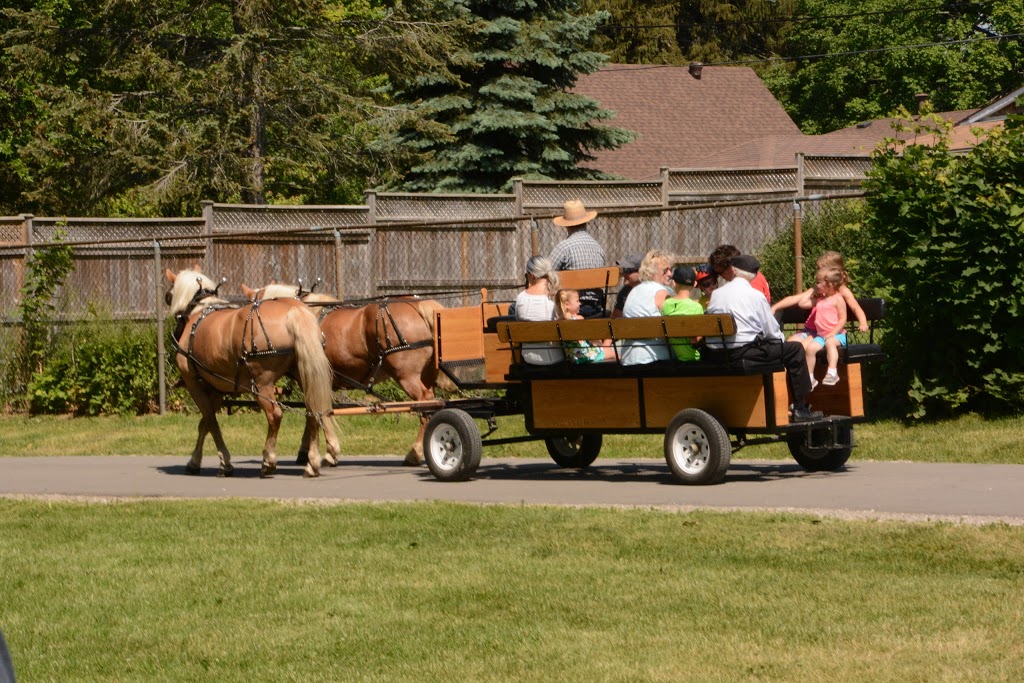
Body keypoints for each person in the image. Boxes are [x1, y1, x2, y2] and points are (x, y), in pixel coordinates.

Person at [704, 253, 821, 422]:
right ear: (754, 275)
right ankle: (800, 408)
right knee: (795, 349)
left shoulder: (717, 294)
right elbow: (771, 332)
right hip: (744, 352)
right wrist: (780, 341)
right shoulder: (755, 295)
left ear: (734, 270)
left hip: (718, 353)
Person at [773, 267, 848, 389]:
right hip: (822, 335)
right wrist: (812, 294)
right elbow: (802, 304)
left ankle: (833, 372)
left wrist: (834, 333)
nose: (815, 285)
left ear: (830, 285)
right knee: (810, 349)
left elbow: (843, 319)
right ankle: (810, 377)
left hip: (837, 335)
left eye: (818, 282)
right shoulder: (819, 299)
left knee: (829, 343)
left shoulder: (838, 299)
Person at [550, 199, 608, 318]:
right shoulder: (598, 248)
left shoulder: (564, 247)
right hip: (597, 306)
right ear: (586, 222)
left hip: (572, 306)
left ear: (567, 226)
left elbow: (548, 273)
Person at [619, 250, 675, 366]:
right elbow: (675, 324)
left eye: (670, 270)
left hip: (628, 359)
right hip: (655, 359)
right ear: (653, 272)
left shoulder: (633, 291)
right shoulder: (662, 292)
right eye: (665, 270)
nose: (670, 274)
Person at [514, 256, 562, 365]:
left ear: (532, 276)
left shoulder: (521, 298)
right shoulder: (556, 296)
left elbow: (518, 322)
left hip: (528, 358)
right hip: (556, 358)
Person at [554, 288, 610, 363]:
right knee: (611, 350)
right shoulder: (578, 319)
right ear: (567, 304)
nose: (580, 303)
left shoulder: (558, 321)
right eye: (577, 301)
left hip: (570, 357)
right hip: (584, 355)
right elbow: (590, 336)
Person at [661, 265, 704, 362]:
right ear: (694, 284)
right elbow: (697, 339)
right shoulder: (696, 307)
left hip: (675, 358)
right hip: (695, 359)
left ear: (674, 283)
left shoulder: (667, 304)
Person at [611, 253, 643, 319]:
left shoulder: (654, 291)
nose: (624, 273)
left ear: (641, 271)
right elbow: (615, 317)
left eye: (629, 270)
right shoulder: (624, 292)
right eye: (624, 269)